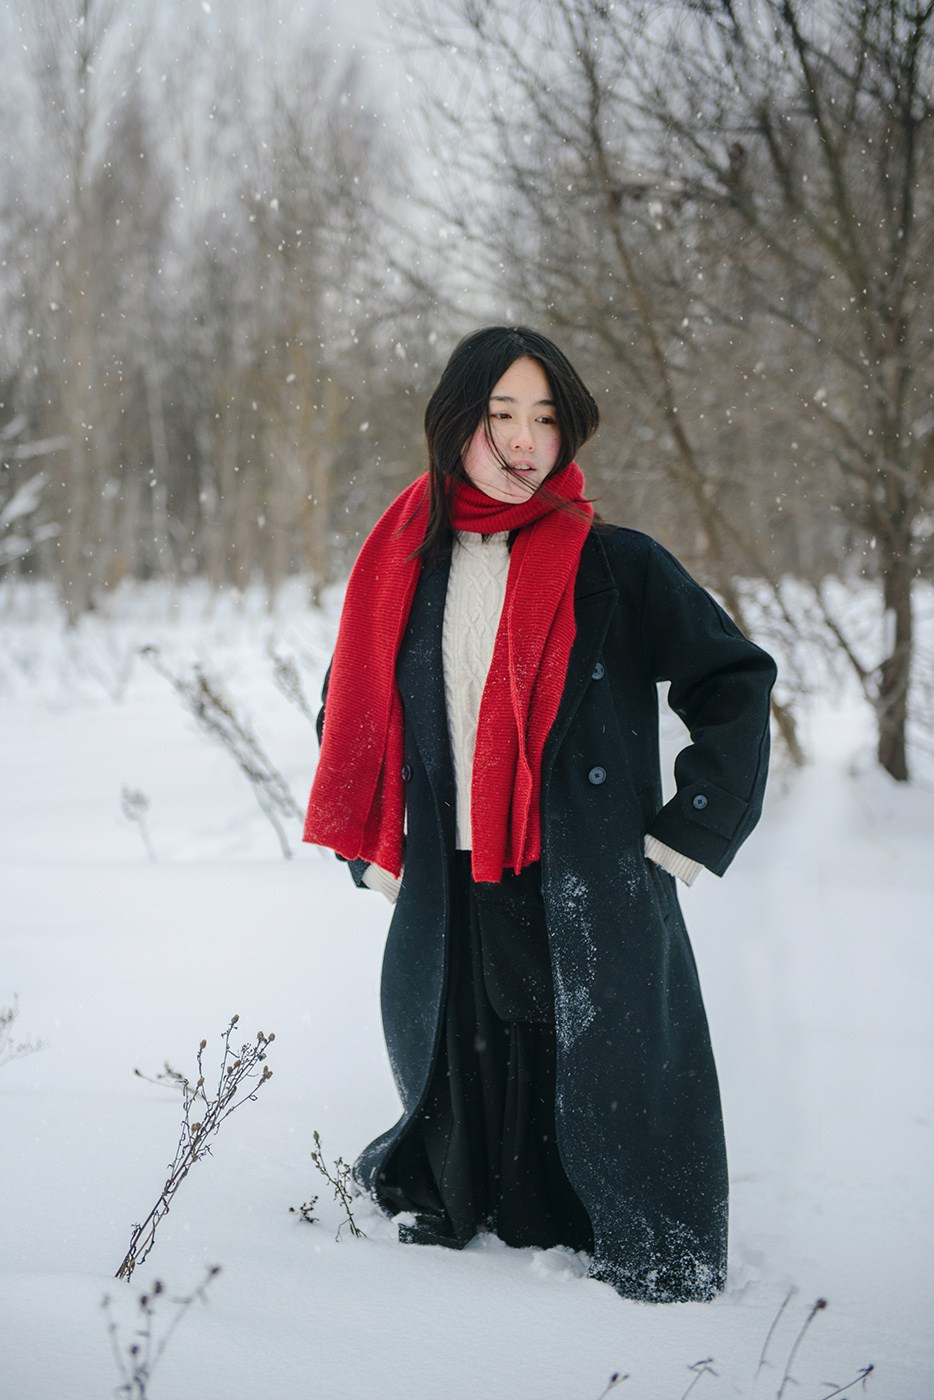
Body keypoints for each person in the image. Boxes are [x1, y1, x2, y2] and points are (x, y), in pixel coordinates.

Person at [304, 326, 776, 1303]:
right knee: (464, 1051)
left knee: (599, 1064)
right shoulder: (407, 564)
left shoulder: (616, 564)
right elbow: (352, 700)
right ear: (455, 425)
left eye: (546, 418)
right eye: (502, 416)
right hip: (449, 869)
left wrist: (687, 827)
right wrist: (381, 833)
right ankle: (481, 1205)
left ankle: (623, 1239)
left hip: (586, 869)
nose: (526, 442)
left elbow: (732, 678)